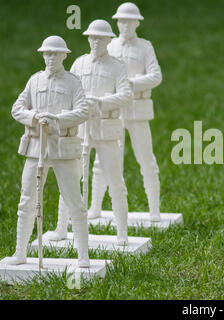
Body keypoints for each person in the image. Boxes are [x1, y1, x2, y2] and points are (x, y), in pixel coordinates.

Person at [5, 36, 90, 267]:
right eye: (47, 53)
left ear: (64, 55)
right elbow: (17, 108)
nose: (51, 57)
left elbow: (83, 111)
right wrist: (33, 117)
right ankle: (20, 253)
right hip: (36, 148)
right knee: (27, 201)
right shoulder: (34, 81)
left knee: (75, 202)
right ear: (42, 55)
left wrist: (58, 119)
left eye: (55, 53)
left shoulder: (73, 82)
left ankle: (83, 256)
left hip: (63, 148)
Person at [47, 20, 132, 246]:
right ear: (87, 39)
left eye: (101, 38)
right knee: (69, 178)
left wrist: (101, 102)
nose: (96, 41)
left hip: (105, 128)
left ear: (108, 40)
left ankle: (121, 232)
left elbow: (126, 95)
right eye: (92, 38)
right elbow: (67, 92)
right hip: (80, 129)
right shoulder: (79, 63)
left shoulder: (117, 66)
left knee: (115, 180)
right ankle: (61, 227)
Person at [88, 2, 162, 222]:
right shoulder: (110, 47)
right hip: (114, 110)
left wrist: (129, 84)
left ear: (137, 23)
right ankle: (95, 207)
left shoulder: (145, 47)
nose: (125, 25)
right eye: (121, 21)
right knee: (103, 160)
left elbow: (156, 76)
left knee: (146, 159)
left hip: (137, 109)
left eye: (129, 21)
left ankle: (154, 209)